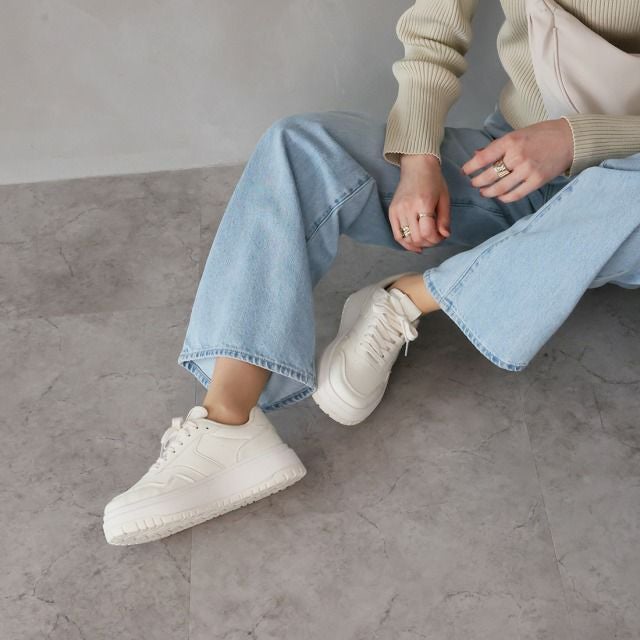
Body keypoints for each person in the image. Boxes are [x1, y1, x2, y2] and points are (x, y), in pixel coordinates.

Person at [102, 0, 640, 545]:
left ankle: (408, 297)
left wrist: (575, 139)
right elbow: (435, 29)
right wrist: (419, 158)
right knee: (301, 147)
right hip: (511, 164)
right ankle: (227, 424)